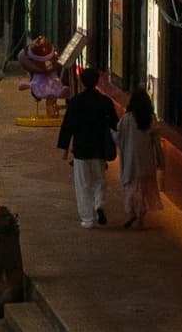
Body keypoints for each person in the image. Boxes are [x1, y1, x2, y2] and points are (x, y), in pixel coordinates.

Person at [56, 63, 120, 226]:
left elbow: (68, 125)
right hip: (99, 147)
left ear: (82, 82)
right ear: (97, 81)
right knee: (99, 180)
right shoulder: (105, 101)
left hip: (81, 148)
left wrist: (64, 148)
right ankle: (99, 204)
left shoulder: (76, 102)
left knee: (83, 184)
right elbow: (115, 123)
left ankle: (87, 219)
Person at [117, 86, 162, 227]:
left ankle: (132, 213)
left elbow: (118, 137)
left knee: (131, 187)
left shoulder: (126, 119)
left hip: (130, 161)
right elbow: (157, 143)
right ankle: (141, 218)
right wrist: (161, 160)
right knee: (144, 189)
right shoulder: (151, 119)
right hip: (147, 161)